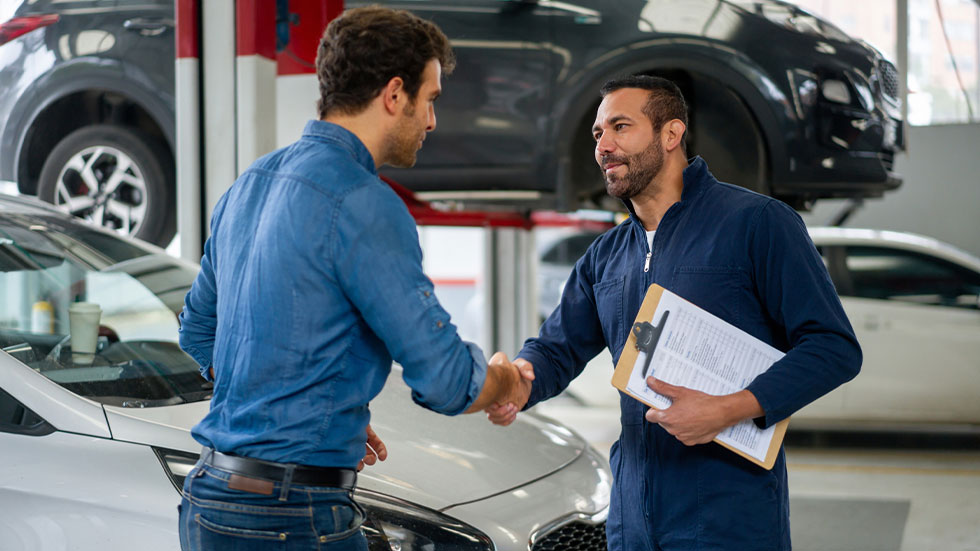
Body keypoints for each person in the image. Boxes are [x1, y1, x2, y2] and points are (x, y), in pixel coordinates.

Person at [176, 7, 531, 550]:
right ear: (394, 95)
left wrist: (303, 404)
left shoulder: (250, 183)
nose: (432, 121)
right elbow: (443, 378)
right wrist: (507, 381)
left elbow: (197, 331)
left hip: (210, 499)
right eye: (430, 99)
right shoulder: (365, 204)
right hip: (290, 515)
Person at [487, 75, 862, 550]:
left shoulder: (757, 224)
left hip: (730, 518)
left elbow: (834, 348)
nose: (604, 145)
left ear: (671, 134)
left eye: (621, 126)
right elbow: (555, 350)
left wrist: (729, 409)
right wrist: (519, 381)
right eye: (598, 133)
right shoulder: (606, 256)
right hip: (633, 520)